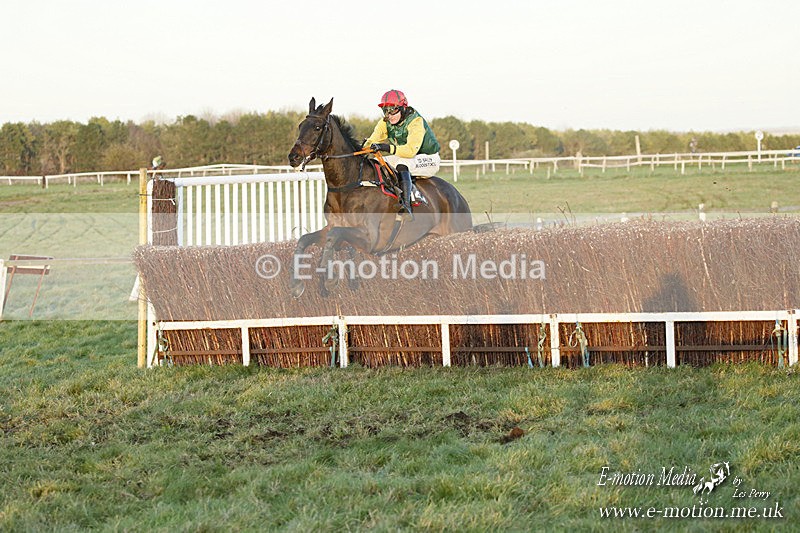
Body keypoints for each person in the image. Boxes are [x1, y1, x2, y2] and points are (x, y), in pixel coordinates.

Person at [363, 89, 440, 214]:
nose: (389, 115)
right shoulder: (385, 122)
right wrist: (359, 148)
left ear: (403, 108)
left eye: (393, 110)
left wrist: (386, 147)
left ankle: (406, 205)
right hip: (406, 157)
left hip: (428, 158)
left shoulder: (416, 121)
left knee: (402, 164)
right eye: (385, 110)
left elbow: (410, 151)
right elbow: (371, 141)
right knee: (375, 163)